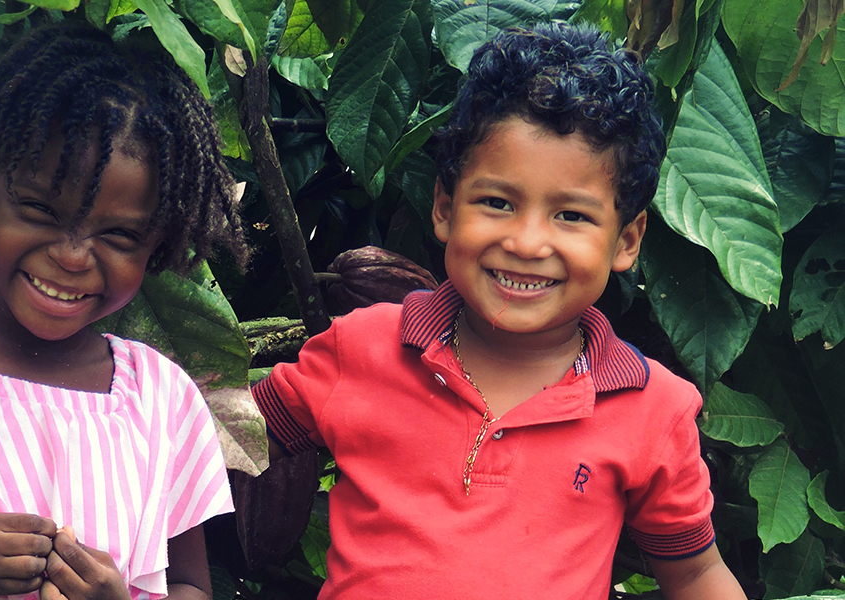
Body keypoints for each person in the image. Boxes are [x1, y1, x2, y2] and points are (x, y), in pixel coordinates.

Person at [251, 22, 747, 599]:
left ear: (627, 242)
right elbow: (215, 441)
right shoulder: (359, 350)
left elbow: (695, 573)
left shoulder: (651, 410)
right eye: (497, 202)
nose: (527, 242)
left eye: (572, 216)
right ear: (444, 205)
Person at [0, 20, 248, 600]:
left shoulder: (161, 398)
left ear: (157, 242)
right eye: (39, 209)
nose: (73, 256)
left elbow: (191, 586)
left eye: (119, 236)